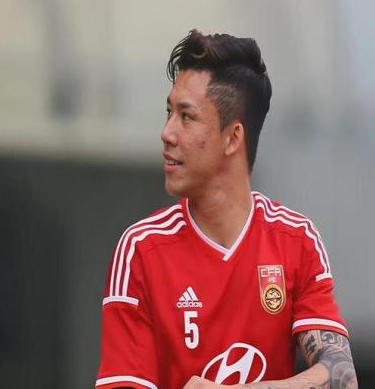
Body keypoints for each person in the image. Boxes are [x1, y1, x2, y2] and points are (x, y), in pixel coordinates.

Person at [95, 30, 358, 389]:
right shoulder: (141, 250)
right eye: (169, 112)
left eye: (186, 117)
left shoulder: (296, 240)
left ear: (233, 138)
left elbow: (342, 378)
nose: (167, 133)